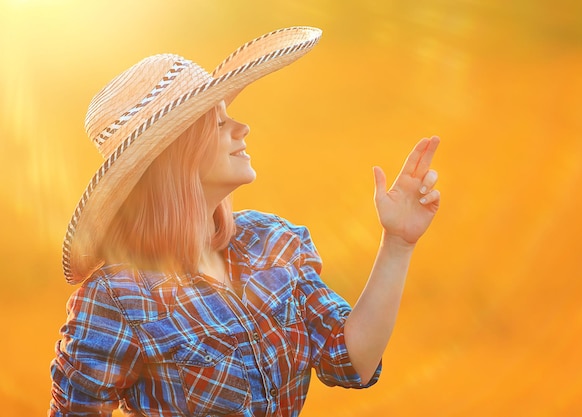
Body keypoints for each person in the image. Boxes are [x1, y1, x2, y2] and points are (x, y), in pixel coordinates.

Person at [49, 26, 441, 417]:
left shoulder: (272, 242)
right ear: (176, 155)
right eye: (218, 124)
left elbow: (351, 361)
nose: (242, 128)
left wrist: (398, 243)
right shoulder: (116, 298)